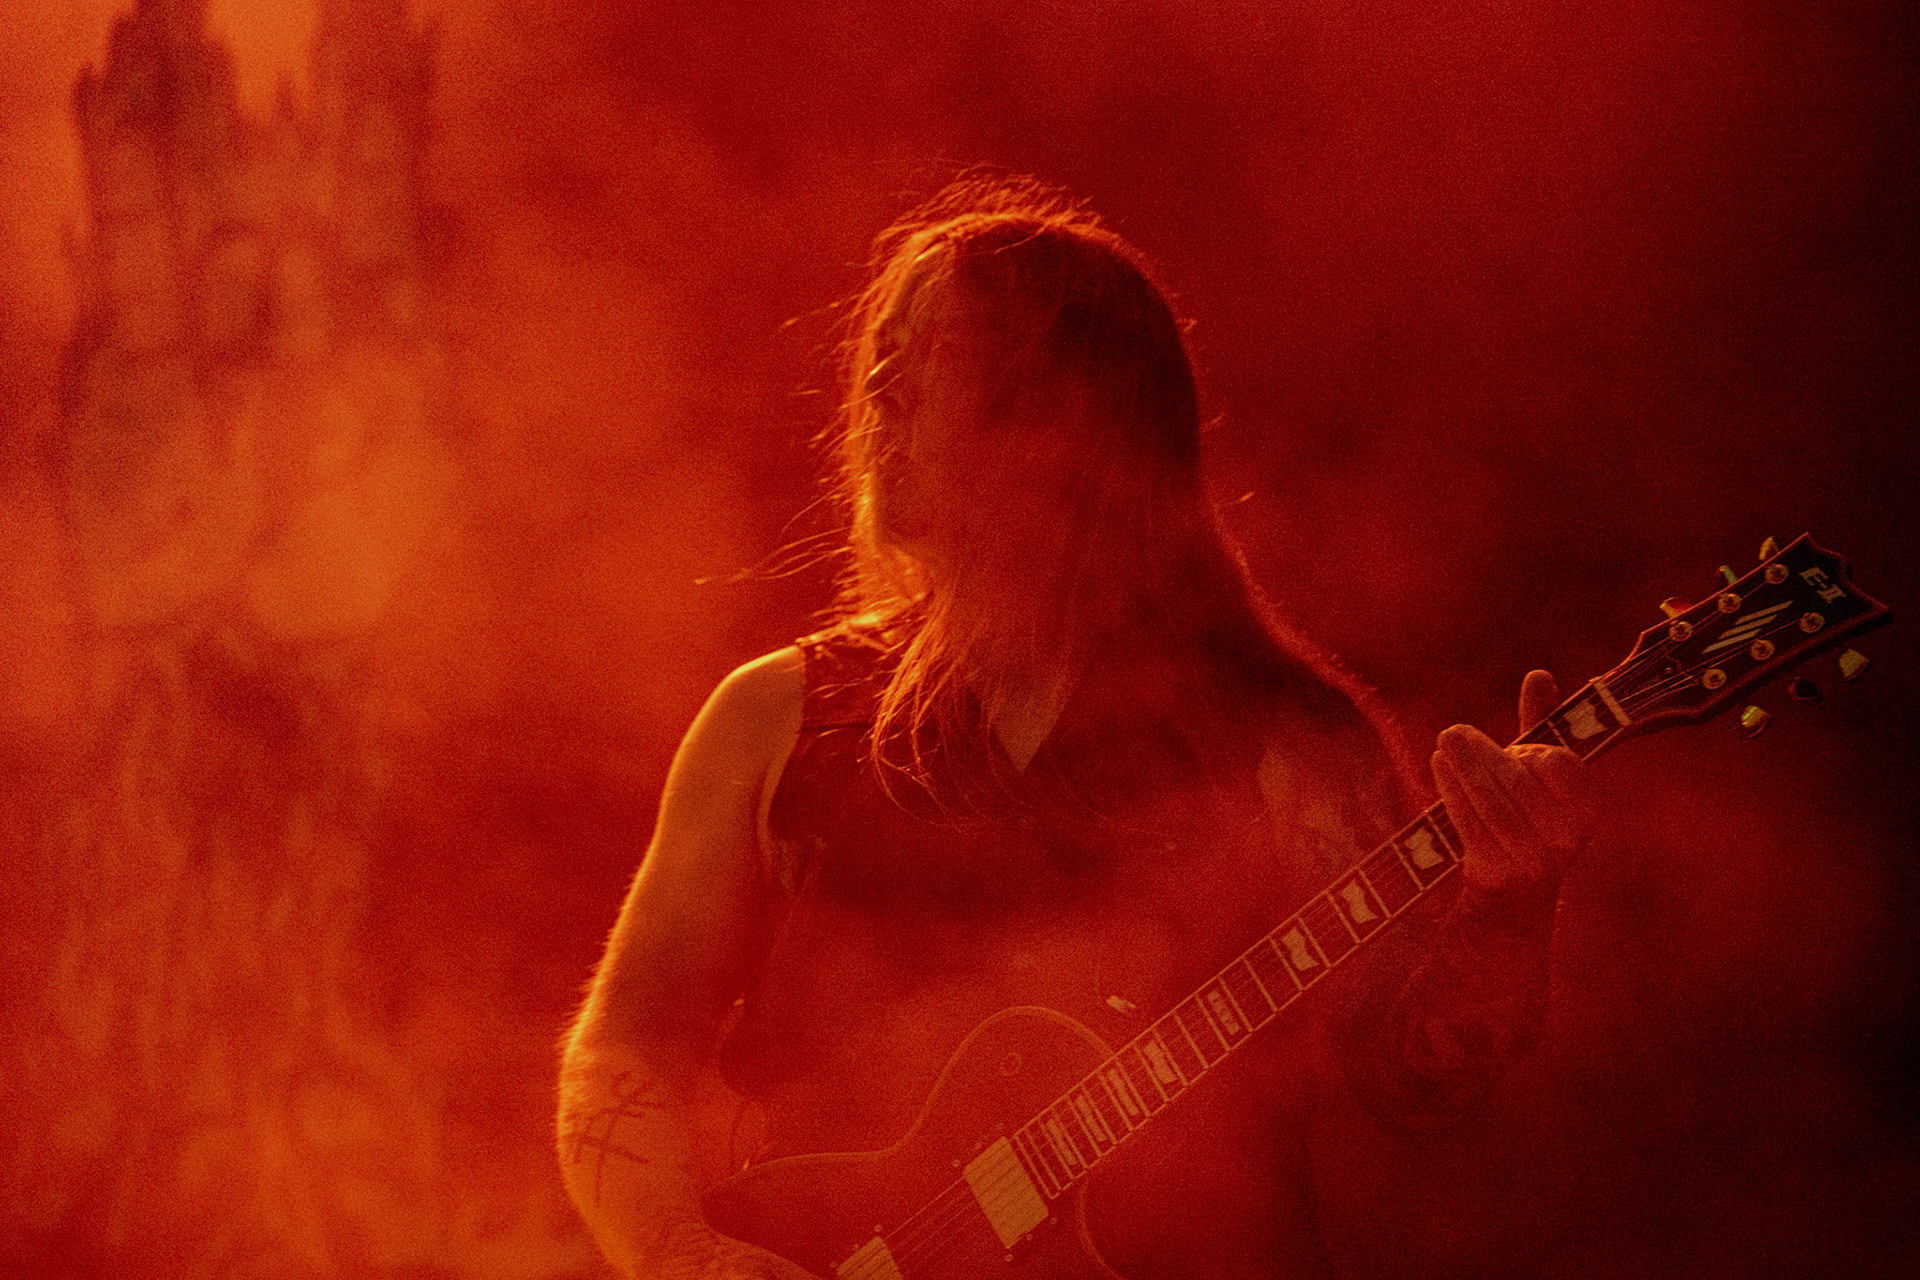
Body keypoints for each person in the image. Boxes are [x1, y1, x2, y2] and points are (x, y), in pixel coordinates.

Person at [556, 177, 1594, 1279]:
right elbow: (626, 1047)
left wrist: (1508, 907)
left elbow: (1419, 1081)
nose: (879, 389)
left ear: (1069, 414)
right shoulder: (781, 716)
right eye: (880, 354)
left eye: (934, 352)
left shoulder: (1282, 739)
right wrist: (677, 1251)